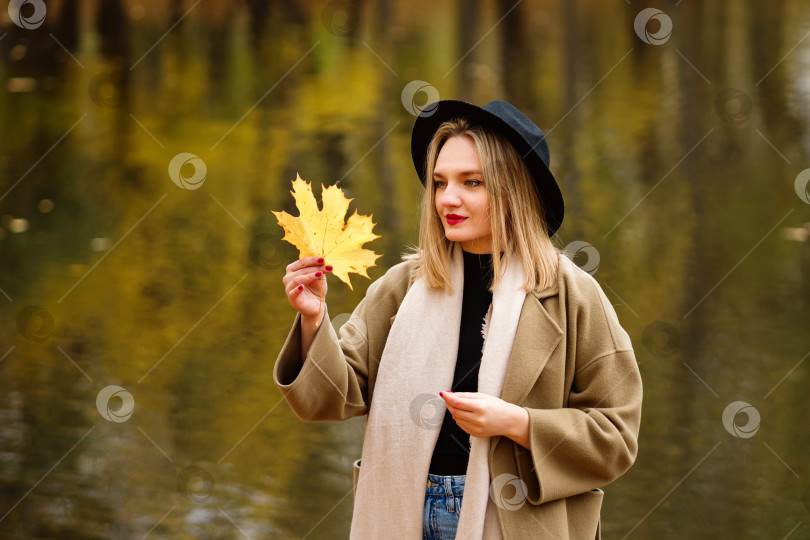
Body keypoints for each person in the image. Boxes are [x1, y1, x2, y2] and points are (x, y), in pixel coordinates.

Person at [275, 100, 643, 540]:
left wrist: (517, 423)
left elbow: (616, 437)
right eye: (439, 182)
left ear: (515, 189)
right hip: (404, 513)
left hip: (514, 521)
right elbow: (332, 398)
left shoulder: (572, 295)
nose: (447, 199)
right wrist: (314, 321)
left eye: (472, 182)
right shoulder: (403, 286)